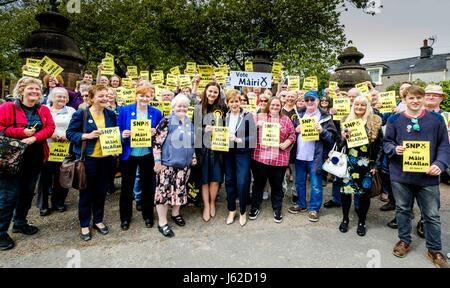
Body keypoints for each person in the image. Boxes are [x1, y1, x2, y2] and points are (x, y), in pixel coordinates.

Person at [384, 85, 449, 268]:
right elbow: (387, 142)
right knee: (403, 210)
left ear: (423, 99)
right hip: (401, 177)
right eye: (411, 98)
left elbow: (444, 146)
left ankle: (434, 250)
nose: (415, 101)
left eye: (419, 97)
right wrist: (394, 149)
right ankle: (404, 240)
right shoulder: (395, 119)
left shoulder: (436, 120)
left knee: (432, 215)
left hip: (427, 177)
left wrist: (440, 164)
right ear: (404, 99)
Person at [0, 77, 55, 250]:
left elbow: (50, 128)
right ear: (22, 90)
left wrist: (34, 137)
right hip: (12, 159)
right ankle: (1, 233)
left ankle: (19, 222)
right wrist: (20, 132)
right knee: (8, 196)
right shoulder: (7, 107)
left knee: (27, 192)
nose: (35, 92)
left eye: (38, 89)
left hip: (35, 157)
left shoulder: (43, 109)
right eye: (31, 88)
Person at [66, 84, 117, 241]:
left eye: (107, 95)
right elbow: (70, 133)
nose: (104, 98)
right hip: (88, 159)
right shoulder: (81, 113)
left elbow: (113, 132)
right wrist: (86, 136)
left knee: (101, 191)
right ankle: (84, 224)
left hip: (106, 159)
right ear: (92, 97)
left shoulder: (110, 114)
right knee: (87, 193)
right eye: (100, 96)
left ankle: (98, 220)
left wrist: (115, 146)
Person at [117, 86, 163, 230]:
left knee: (148, 187)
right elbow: (117, 129)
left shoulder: (156, 113)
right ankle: (125, 217)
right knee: (126, 187)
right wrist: (122, 134)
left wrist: (155, 132)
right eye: (141, 95)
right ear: (136, 95)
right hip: (129, 154)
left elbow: (161, 134)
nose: (144, 98)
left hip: (147, 154)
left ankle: (148, 215)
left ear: (152, 97)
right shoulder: (125, 110)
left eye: (148, 96)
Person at [288, 91, 337, 222]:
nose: (309, 102)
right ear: (304, 101)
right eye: (307, 99)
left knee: (315, 185)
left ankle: (314, 209)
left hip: (316, 157)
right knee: (299, 182)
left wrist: (322, 131)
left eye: (312, 99)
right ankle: (301, 204)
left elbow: (332, 140)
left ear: (317, 101)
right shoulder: (298, 115)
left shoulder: (325, 117)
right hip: (299, 156)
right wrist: (295, 130)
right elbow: (289, 132)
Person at [153, 94, 197, 237]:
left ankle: (176, 214)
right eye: (179, 106)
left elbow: (191, 142)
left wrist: (193, 156)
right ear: (173, 107)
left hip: (184, 166)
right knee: (163, 194)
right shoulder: (166, 121)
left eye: (185, 106)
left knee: (179, 190)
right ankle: (162, 223)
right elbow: (157, 142)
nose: (182, 108)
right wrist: (158, 162)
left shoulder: (189, 122)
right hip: (167, 165)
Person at [338, 95, 382, 236]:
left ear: (367, 106)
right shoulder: (346, 120)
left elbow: (380, 145)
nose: (359, 107)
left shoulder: (374, 122)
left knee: (364, 195)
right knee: (346, 192)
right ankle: (345, 219)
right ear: (353, 105)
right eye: (357, 104)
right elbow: (340, 146)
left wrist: (376, 164)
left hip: (366, 164)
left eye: (363, 105)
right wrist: (343, 138)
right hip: (348, 163)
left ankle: (362, 221)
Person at [249, 97, 296, 223]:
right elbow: (247, 131)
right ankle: (255, 207)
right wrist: (256, 126)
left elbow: (292, 134)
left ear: (281, 107)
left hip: (279, 159)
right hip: (260, 158)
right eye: (273, 105)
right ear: (268, 105)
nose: (275, 107)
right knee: (258, 185)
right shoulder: (259, 117)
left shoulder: (286, 120)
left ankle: (277, 209)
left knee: (277, 186)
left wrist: (287, 142)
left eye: (277, 105)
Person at [38, 87, 76, 216]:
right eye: (59, 96)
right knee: (45, 178)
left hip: (65, 148)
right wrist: (51, 133)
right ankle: (43, 205)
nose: (62, 99)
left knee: (63, 176)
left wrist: (68, 135)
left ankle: (58, 202)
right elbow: (40, 126)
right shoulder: (44, 109)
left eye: (64, 96)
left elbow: (75, 127)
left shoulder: (71, 111)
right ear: (51, 97)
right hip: (47, 148)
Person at [194, 82, 227, 222]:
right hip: (202, 149)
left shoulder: (223, 108)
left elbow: (227, 125)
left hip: (218, 148)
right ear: (205, 91)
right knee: (204, 179)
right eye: (210, 91)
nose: (212, 94)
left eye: (215, 92)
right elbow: (194, 130)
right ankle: (206, 205)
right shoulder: (197, 108)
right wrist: (203, 130)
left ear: (219, 94)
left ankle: (213, 202)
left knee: (215, 179)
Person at [223, 90, 256, 226]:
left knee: (242, 182)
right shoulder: (224, 116)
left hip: (243, 153)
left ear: (240, 102)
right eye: (231, 101)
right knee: (229, 181)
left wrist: (238, 139)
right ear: (227, 103)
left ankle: (242, 211)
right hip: (228, 153)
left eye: (236, 101)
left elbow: (253, 137)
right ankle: (232, 210)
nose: (234, 104)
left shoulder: (247, 116)